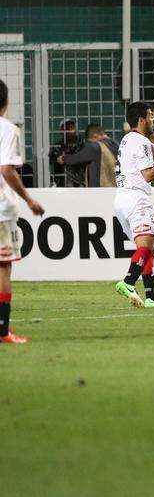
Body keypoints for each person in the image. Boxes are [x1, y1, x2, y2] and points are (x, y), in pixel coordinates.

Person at [0, 81, 44, 344]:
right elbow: (6, 169)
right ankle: (3, 331)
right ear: (6, 102)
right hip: (1, 211)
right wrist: (28, 200)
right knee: (3, 268)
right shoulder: (8, 130)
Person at [113, 102, 154, 308]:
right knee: (146, 246)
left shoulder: (130, 140)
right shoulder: (140, 142)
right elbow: (148, 174)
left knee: (147, 248)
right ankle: (128, 282)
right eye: (151, 115)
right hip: (136, 198)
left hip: (123, 200)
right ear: (142, 119)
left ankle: (151, 296)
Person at [49, 119, 85, 187]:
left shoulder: (82, 143)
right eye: (67, 127)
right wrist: (58, 158)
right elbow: (54, 159)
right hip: (63, 184)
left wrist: (66, 158)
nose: (70, 129)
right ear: (61, 131)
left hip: (81, 183)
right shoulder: (57, 147)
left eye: (72, 127)